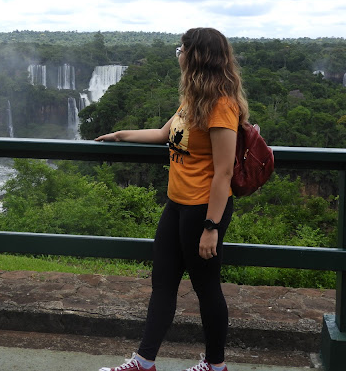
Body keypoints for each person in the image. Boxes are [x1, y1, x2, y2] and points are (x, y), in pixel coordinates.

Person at [96, 27, 249, 371]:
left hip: (202, 210)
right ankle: (144, 361)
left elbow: (223, 172)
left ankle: (215, 365)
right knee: (162, 284)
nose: (177, 53)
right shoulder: (193, 99)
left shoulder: (222, 106)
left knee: (206, 288)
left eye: (180, 48)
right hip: (176, 204)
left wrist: (211, 227)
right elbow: (165, 134)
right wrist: (121, 135)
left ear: (195, 55)